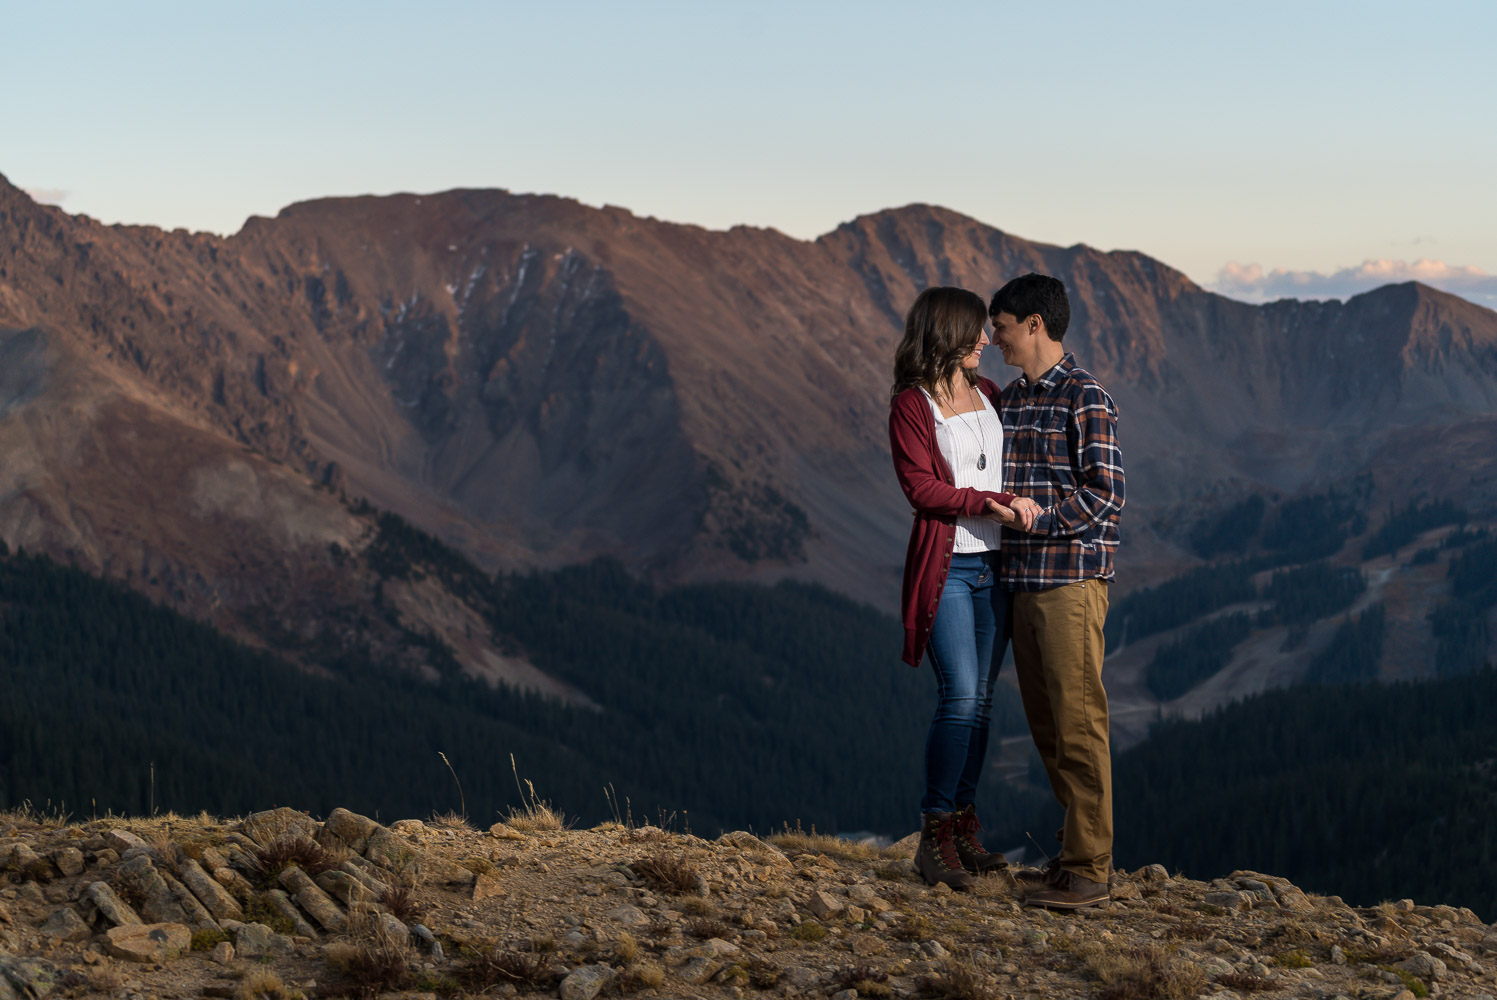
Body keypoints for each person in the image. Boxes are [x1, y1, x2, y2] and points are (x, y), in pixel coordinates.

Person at [888, 286, 1043, 890]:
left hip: (995, 570)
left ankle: (962, 829)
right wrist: (994, 503)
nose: (986, 339)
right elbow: (922, 491)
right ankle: (933, 836)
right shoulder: (912, 404)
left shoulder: (987, 394)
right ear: (947, 333)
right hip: (950, 570)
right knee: (958, 695)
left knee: (979, 704)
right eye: (976, 330)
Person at [986, 273, 1125, 909]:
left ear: (1035, 324)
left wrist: (1037, 515)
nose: (994, 338)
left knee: (1078, 724)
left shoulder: (1085, 396)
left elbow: (1106, 495)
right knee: (1048, 727)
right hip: (1020, 584)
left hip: (1069, 585)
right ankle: (1072, 860)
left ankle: (1090, 870)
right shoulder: (1011, 402)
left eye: (1003, 326)